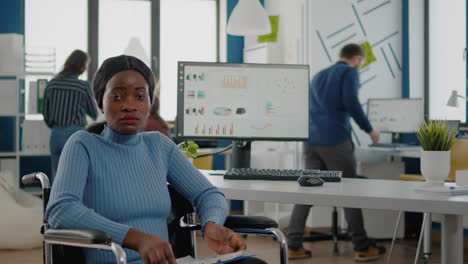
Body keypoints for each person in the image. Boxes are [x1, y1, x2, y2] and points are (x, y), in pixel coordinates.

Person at [45, 55, 253, 264]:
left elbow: (208, 193)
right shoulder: (83, 144)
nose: (129, 105)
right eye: (117, 97)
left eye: (140, 96)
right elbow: (61, 209)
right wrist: (136, 239)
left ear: (149, 103)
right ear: (100, 103)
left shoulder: (159, 145)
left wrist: (212, 224)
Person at [287, 44, 385, 262]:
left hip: (311, 139)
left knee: (306, 192)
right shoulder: (349, 72)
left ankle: (293, 245)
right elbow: (352, 103)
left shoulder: (320, 75)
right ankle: (361, 246)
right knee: (349, 191)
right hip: (335, 141)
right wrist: (370, 129)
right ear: (357, 59)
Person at [42, 50, 98, 180]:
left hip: (56, 134)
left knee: (58, 178)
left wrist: (56, 126)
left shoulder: (52, 84)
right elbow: (94, 113)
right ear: (82, 66)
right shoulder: (83, 86)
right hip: (75, 134)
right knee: (76, 177)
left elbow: (45, 113)